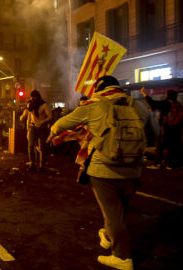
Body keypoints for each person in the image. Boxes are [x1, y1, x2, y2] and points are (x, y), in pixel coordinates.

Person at [50, 76, 150, 270]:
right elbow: (154, 130)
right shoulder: (137, 106)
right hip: (133, 168)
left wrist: (55, 132)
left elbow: (60, 124)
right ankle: (108, 235)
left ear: (98, 89)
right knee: (119, 211)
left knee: (113, 212)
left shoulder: (93, 106)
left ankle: (122, 257)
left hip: (104, 169)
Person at [141, 88, 183, 169]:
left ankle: (158, 163)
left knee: (160, 145)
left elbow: (153, 103)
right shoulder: (178, 104)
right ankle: (171, 163)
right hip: (176, 129)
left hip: (166, 128)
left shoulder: (166, 103)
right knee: (173, 146)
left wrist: (144, 94)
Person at [20, 90, 53, 171]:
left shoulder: (43, 105)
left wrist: (42, 122)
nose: (32, 99)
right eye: (31, 97)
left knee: (42, 147)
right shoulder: (30, 104)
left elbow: (50, 116)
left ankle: (41, 165)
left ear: (37, 97)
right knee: (31, 146)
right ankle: (32, 163)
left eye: (34, 97)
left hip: (42, 128)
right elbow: (24, 116)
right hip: (32, 127)